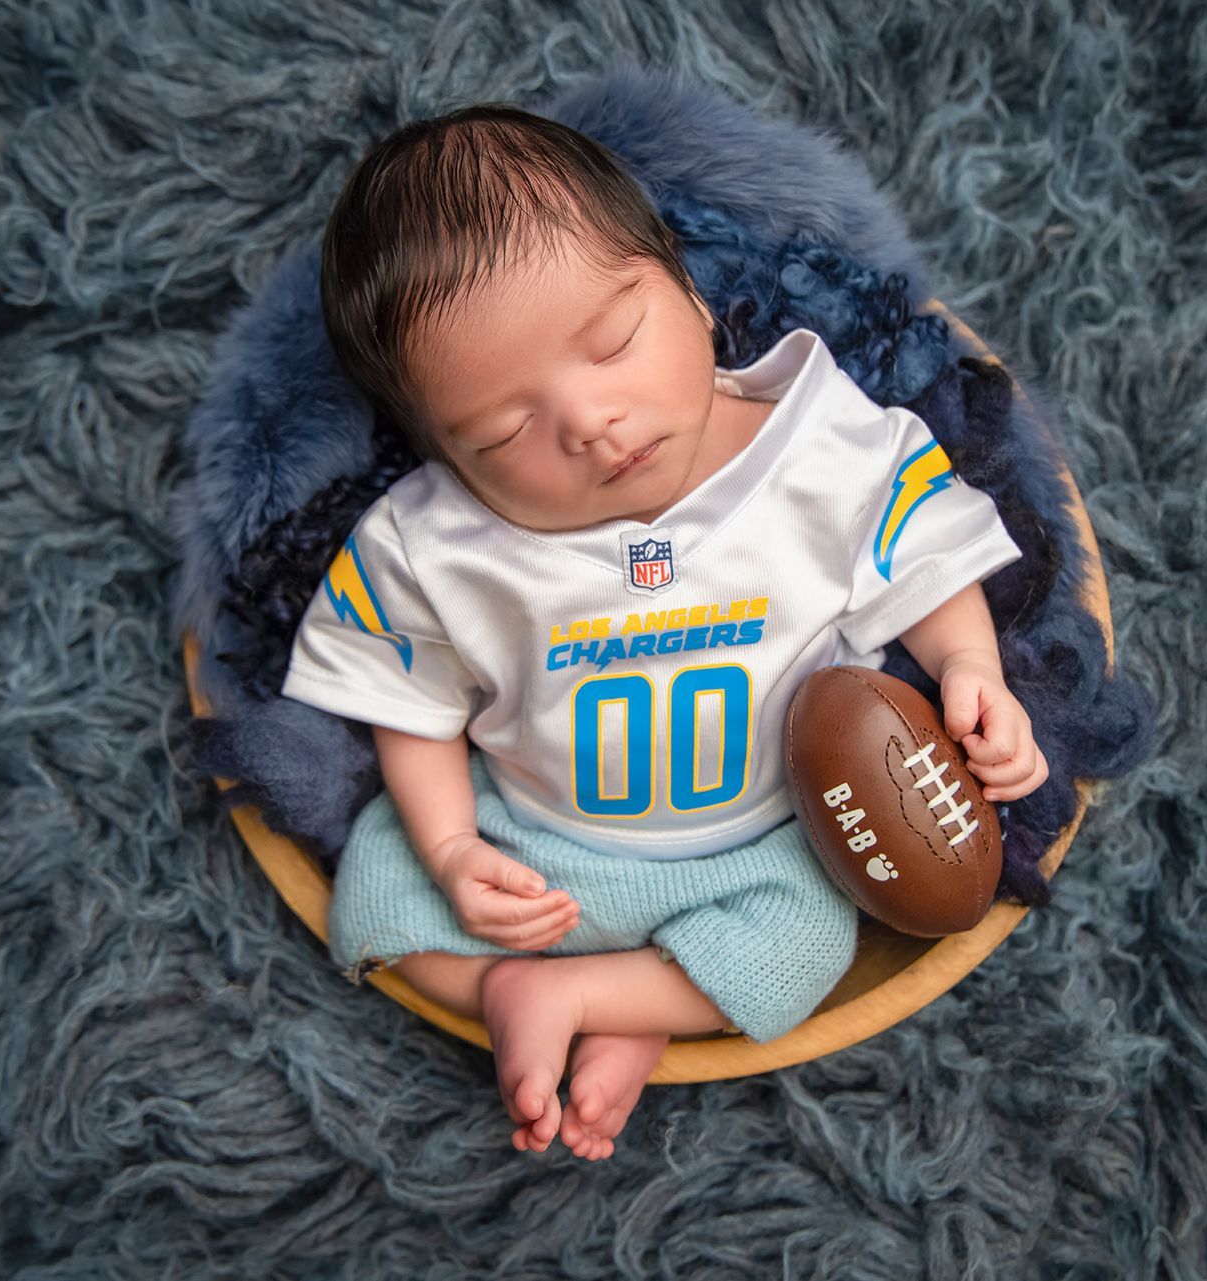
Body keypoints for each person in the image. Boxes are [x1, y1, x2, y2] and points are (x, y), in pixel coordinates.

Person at [280, 104, 1049, 1160]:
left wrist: (971, 668)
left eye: (613, 342)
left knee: (804, 947)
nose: (589, 422)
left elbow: (923, 556)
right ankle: (571, 995)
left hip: (767, 846)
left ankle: (592, 1000)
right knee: (377, 904)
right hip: (535, 846)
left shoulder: (816, 447)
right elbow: (408, 700)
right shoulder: (432, 546)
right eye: (505, 429)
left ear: (688, 291)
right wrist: (455, 848)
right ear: (440, 452)